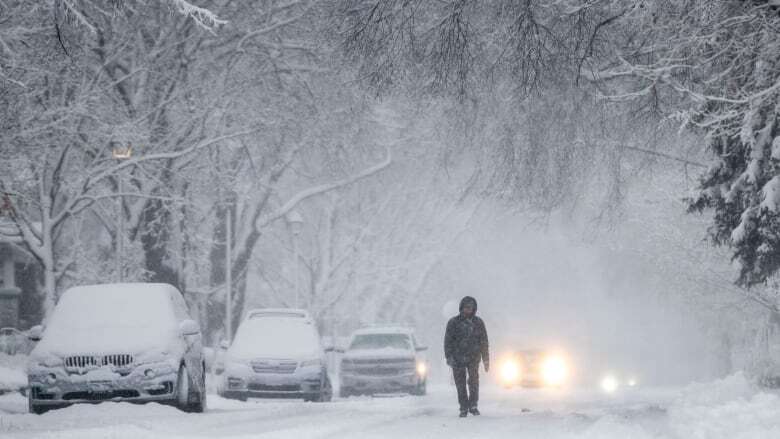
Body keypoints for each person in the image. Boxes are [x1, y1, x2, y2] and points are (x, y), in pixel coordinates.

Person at [444, 296, 489, 417]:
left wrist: (486, 359)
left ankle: (473, 405)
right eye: (466, 307)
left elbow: (484, 341)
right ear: (461, 308)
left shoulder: (478, 323)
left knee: (474, 381)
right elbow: (448, 341)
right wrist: (449, 356)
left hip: (474, 358)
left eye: (471, 307)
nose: (468, 310)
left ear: (474, 308)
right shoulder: (453, 323)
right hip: (457, 358)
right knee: (460, 384)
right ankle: (463, 407)